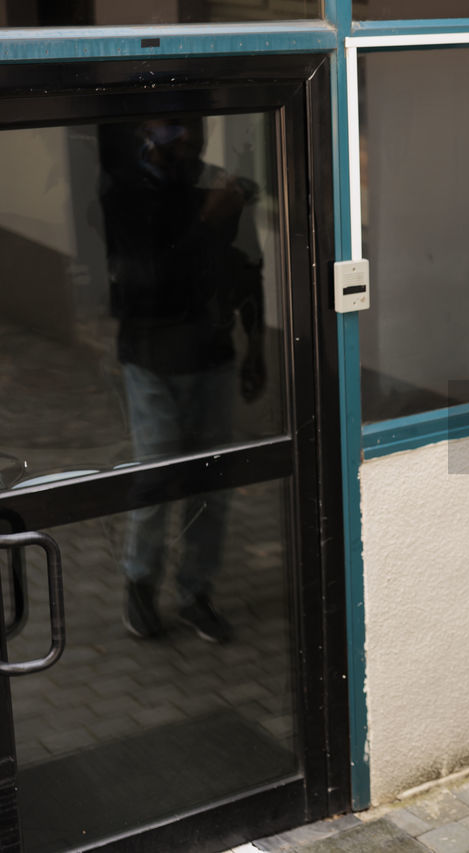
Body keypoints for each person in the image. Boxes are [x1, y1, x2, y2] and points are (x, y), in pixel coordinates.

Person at [99, 116, 266, 644]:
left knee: (212, 483)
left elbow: (246, 268)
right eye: (174, 129)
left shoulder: (216, 184)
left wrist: (255, 345)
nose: (188, 138)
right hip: (151, 358)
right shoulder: (125, 192)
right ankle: (140, 584)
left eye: (194, 127)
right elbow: (146, 276)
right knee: (156, 476)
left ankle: (196, 592)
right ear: (149, 132)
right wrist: (206, 218)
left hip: (211, 355)